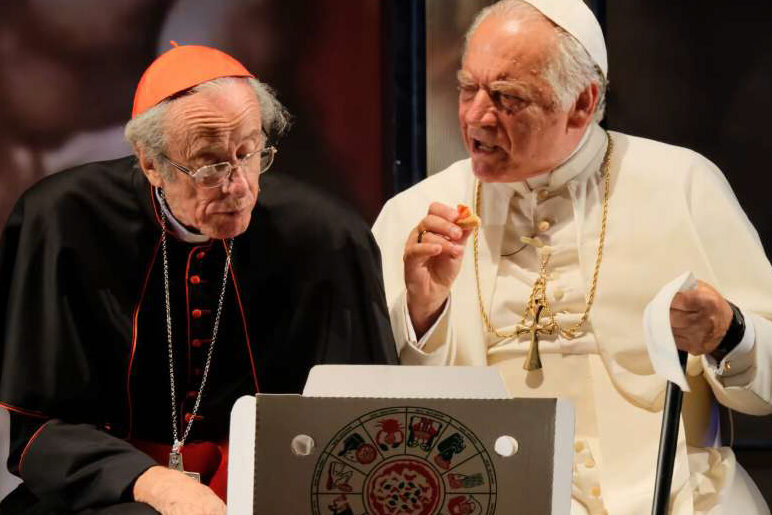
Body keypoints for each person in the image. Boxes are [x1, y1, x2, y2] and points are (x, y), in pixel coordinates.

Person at [373, 1, 772, 514]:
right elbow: (379, 416)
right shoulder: (414, 213)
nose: (476, 116)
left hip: (674, 493)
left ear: (581, 104)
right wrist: (424, 314)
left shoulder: (682, 185)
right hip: (485, 497)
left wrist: (727, 332)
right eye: (468, 89)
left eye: (507, 97)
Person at [0, 44, 397, 514]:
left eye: (249, 153)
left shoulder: (326, 235)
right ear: (151, 164)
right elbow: (40, 432)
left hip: (270, 489)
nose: (238, 186)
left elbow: (363, 418)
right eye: (210, 165)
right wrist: (150, 482)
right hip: (108, 493)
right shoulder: (63, 221)